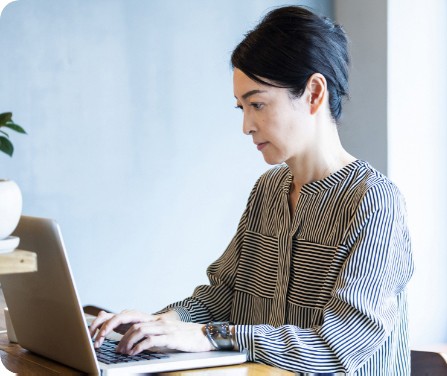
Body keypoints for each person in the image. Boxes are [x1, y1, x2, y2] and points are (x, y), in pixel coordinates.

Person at [90, 5, 414, 375]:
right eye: (241, 107)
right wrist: (160, 322)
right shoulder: (268, 190)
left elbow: (336, 346)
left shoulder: (374, 201)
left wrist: (209, 336)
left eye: (257, 104)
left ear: (313, 93)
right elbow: (224, 295)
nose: (246, 125)